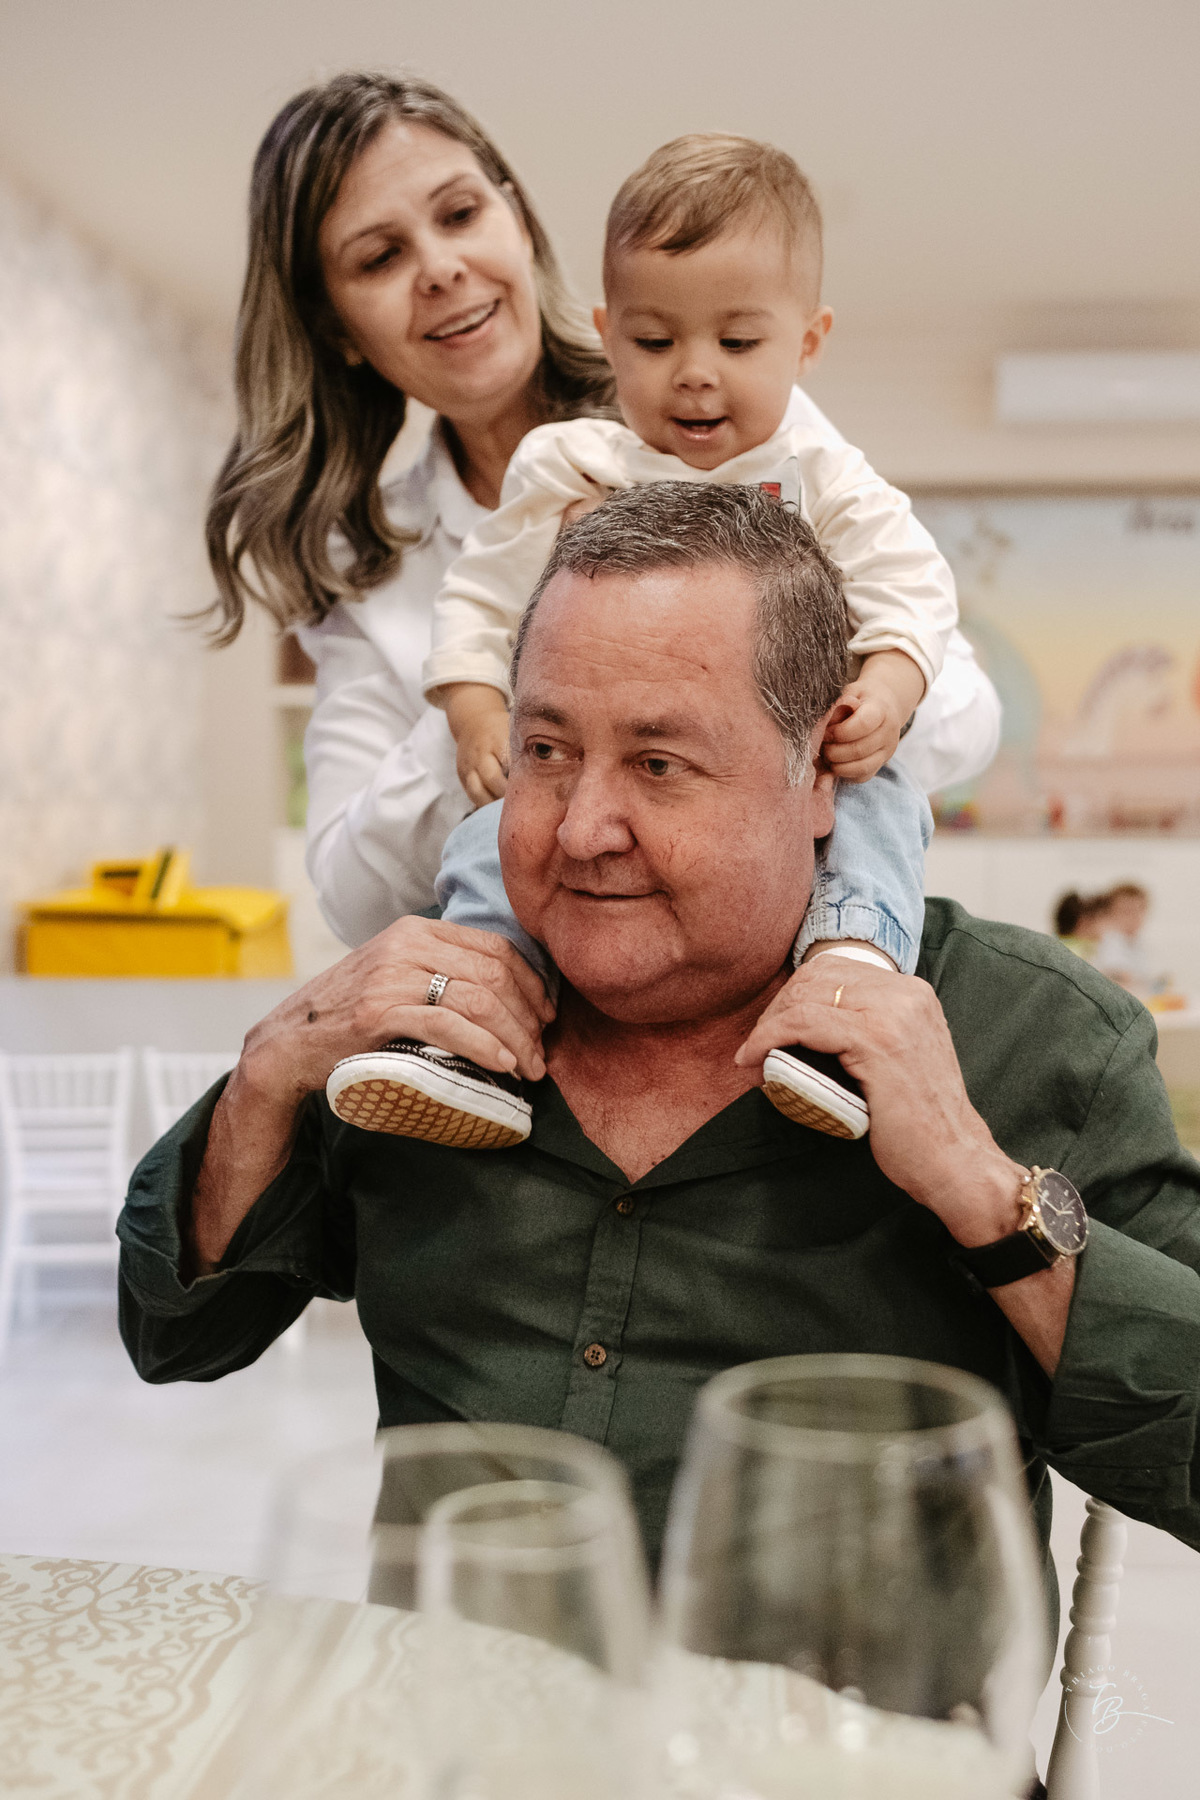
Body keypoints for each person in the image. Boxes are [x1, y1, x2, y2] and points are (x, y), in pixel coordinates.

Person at [120, 486, 1200, 1610]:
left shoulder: (1030, 1034)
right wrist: (273, 1067)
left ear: (821, 775)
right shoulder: (424, 1026)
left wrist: (982, 1191)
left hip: (839, 1716)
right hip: (457, 1710)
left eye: (659, 764)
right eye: (546, 750)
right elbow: (176, 1332)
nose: (580, 829)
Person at [204, 74, 1000, 1147]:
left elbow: (960, 717)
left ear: (518, 221)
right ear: (337, 326)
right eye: (380, 257)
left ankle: (844, 996)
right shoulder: (394, 557)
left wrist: (815, 677)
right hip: (568, 1034)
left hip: (757, 970)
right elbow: (355, 896)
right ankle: (466, 1050)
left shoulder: (734, 424)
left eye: (458, 213)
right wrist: (511, 690)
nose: (440, 269)